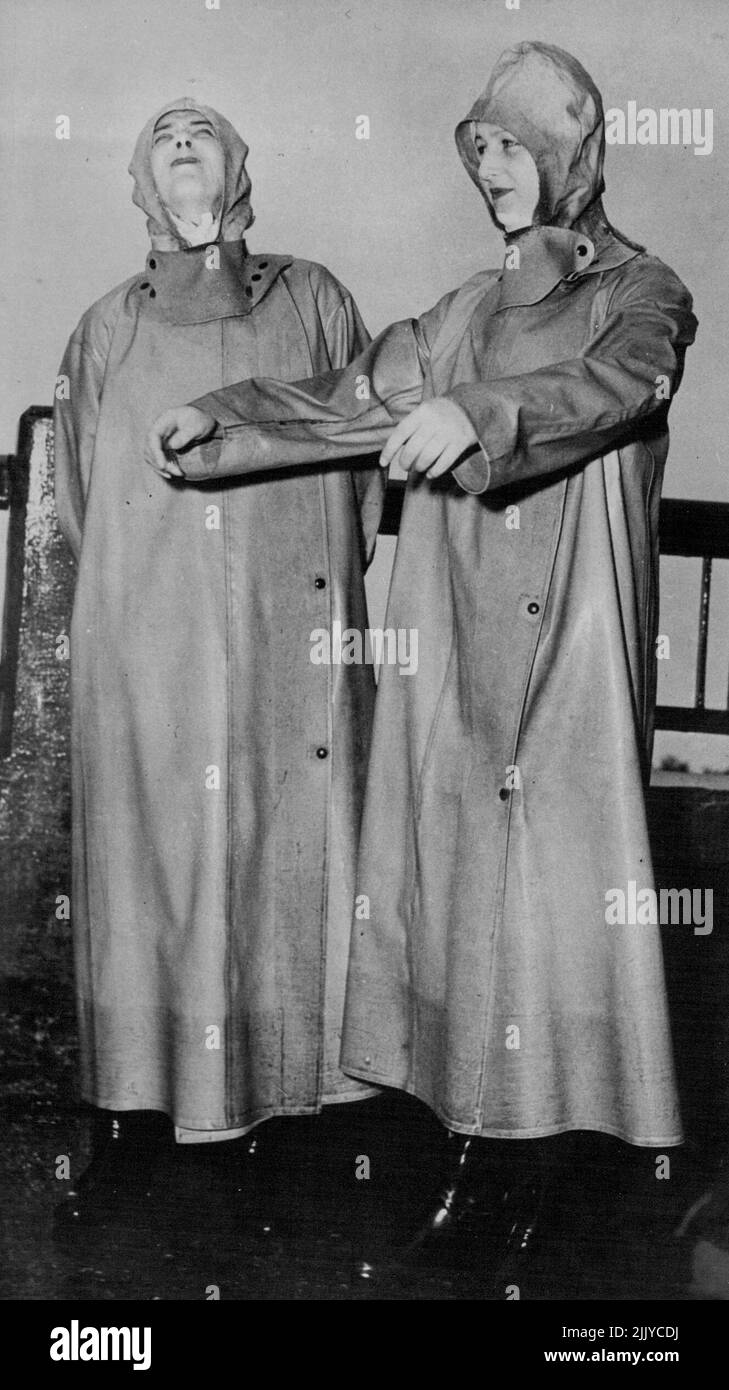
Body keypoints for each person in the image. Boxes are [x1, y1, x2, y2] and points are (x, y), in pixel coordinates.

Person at [146, 44, 697, 1276]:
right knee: (458, 912)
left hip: (570, 654)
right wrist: (225, 420)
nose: (493, 172)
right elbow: (348, 396)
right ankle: (478, 1156)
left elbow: (615, 384)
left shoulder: (644, 291)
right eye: (480, 149)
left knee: (553, 917)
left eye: (513, 147)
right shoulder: (462, 311)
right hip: (455, 636)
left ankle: (558, 1175)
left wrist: (481, 416)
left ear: (569, 153)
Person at [53, 98, 384, 1224]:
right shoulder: (106, 328)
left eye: (204, 129)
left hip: (290, 638)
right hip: (150, 642)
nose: (183, 140)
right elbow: (85, 495)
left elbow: (367, 458)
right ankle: (140, 1118)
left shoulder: (316, 297)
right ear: (142, 181)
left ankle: (306, 1122)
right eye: (161, 135)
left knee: (294, 851)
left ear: (242, 166)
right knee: (155, 866)